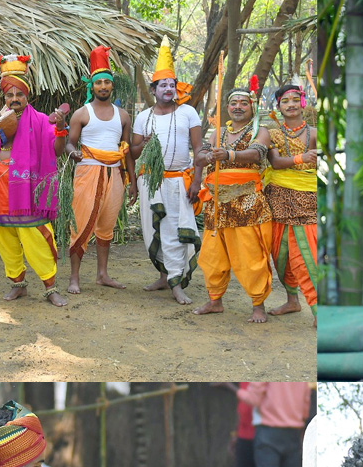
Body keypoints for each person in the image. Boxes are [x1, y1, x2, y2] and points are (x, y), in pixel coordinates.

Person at [0, 54, 69, 307]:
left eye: (19, 95)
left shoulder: (39, 120)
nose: (14, 99)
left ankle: (50, 287)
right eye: (9, 95)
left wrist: (60, 128)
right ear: (3, 97)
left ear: (28, 97)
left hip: (28, 190)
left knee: (35, 236)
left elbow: (56, 150)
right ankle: (18, 284)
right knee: (5, 236)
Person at [194, 77, 273, 323]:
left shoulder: (260, 130)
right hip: (217, 203)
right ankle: (215, 300)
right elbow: (200, 157)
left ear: (252, 106)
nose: (238, 107)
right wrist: (206, 156)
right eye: (233, 103)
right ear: (227, 108)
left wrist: (228, 154)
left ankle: (258, 305)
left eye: (243, 103)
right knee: (212, 254)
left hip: (246, 201)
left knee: (250, 256)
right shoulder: (218, 132)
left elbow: (257, 154)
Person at [130, 40, 203, 305]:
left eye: (172, 85)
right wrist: (143, 144)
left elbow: (199, 150)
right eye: (163, 85)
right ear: (154, 90)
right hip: (150, 181)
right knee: (154, 232)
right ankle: (164, 277)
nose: (169, 89)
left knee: (174, 231)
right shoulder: (143, 116)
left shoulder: (188, 112)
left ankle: (176, 284)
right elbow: (133, 152)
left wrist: (197, 180)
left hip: (178, 181)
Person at [64, 45, 133, 294]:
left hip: (114, 173)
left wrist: (131, 181)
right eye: (98, 83)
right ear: (91, 86)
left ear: (112, 85)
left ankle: (102, 274)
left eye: (107, 82)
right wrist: (73, 153)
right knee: (80, 224)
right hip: (87, 172)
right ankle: (74, 277)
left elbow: (126, 150)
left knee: (106, 226)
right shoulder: (82, 114)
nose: (103, 86)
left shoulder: (123, 115)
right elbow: (69, 142)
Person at [256, 76, 317, 323]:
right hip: (278, 199)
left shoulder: (314, 132)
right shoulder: (271, 133)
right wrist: (303, 159)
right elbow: (275, 163)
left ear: (302, 103)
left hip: (307, 201)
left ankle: (317, 310)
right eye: (285, 101)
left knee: (306, 255)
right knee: (280, 256)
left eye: (295, 100)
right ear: (278, 107)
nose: (290, 105)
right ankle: (293, 301)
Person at [237, 383, 310, 467]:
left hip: (268, 430)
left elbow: (253, 399)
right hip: (294, 431)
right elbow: (305, 404)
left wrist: (237, 391)